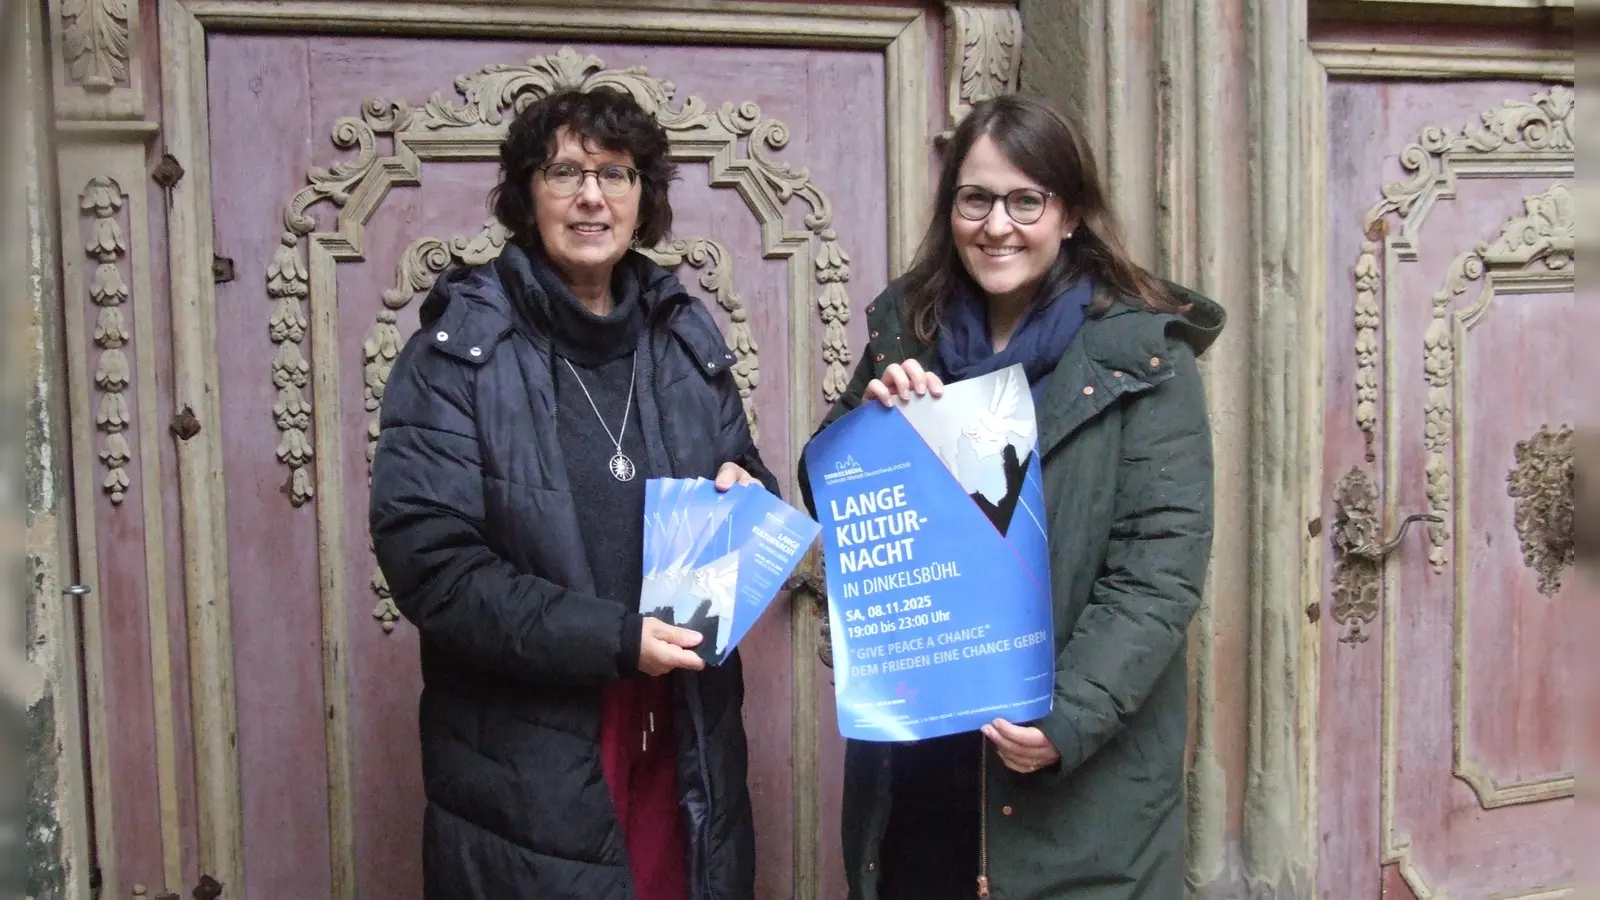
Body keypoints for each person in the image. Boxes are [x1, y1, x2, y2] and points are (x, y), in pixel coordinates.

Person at [802, 94, 1224, 900]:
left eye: (1025, 199)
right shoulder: (909, 334)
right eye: (976, 199)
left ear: (1069, 215)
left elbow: (1157, 575)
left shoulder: (1141, 360)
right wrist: (868, 424)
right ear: (950, 209)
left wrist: (1063, 721)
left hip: (1071, 785)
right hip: (922, 770)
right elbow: (834, 498)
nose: (998, 225)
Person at [369, 87, 774, 900]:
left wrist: (749, 497)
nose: (593, 195)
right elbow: (433, 566)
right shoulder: (457, 354)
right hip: (531, 752)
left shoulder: (683, 336)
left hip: (682, 729)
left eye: (617, 174)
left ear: (642, 199)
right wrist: (616, 640)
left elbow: (744, 474)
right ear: (527, 193)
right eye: (565, 171)